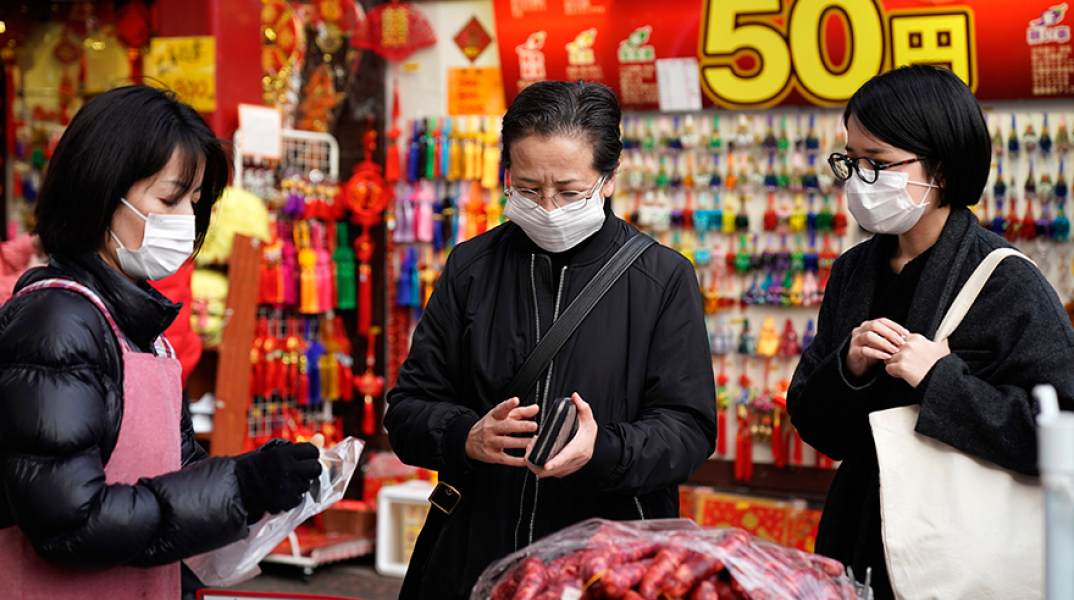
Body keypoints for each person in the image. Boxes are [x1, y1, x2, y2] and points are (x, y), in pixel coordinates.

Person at [385, 80, 716, 600]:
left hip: (604, 572)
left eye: (568, 191)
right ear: (507, 174)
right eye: (528, 188)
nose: (547, 207)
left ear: (608, 179)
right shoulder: (471, 267)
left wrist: (602, 449)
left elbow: (689, 429)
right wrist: (465, 436)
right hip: (474, 560)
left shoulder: (661, 278)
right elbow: (407, 409)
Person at [0, 85, 322, 600]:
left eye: (195, 202)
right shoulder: (56, 323)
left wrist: (263, 478)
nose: (187, 219)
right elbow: (68, 522)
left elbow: (173, 472)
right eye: (171, 198)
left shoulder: (141, 328)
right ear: (101, 190)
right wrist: (239, 486)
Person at [787, 65, 1074, 600]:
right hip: (857, 545)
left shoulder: (1007, 282)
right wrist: (848, 368)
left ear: (940, 170)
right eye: (851, 161)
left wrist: (942, 380)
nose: (859, 180)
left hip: (960, 557)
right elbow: (814, 423)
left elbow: (1060, 432)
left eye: (878, 163)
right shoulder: (853, 272)